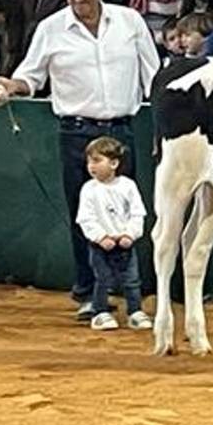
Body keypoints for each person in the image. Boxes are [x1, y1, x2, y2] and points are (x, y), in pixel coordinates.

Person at [0, 0, 161, 320]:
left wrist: (163, 126)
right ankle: (90, 292)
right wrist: (10, 85)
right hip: (76, 132)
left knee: (126, 212)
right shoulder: (51, 28)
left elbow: (154, 76)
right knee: (85, 213)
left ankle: (131, 292)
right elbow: (31, 76)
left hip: (121, 129)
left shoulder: (129, 21)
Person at [75, 135, 150, 331]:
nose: (92, 166)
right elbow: (85, 218)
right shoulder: (88, 189)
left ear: (114, 163)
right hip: (100, 247)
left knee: (132, 280)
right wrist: (101, 237)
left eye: (98, 160)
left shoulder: (128, 186)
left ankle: (135, 312)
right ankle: (100, 313)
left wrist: (129, 235)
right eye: (89, 161)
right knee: (103, 280)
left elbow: (137, 213)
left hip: (125, 245)